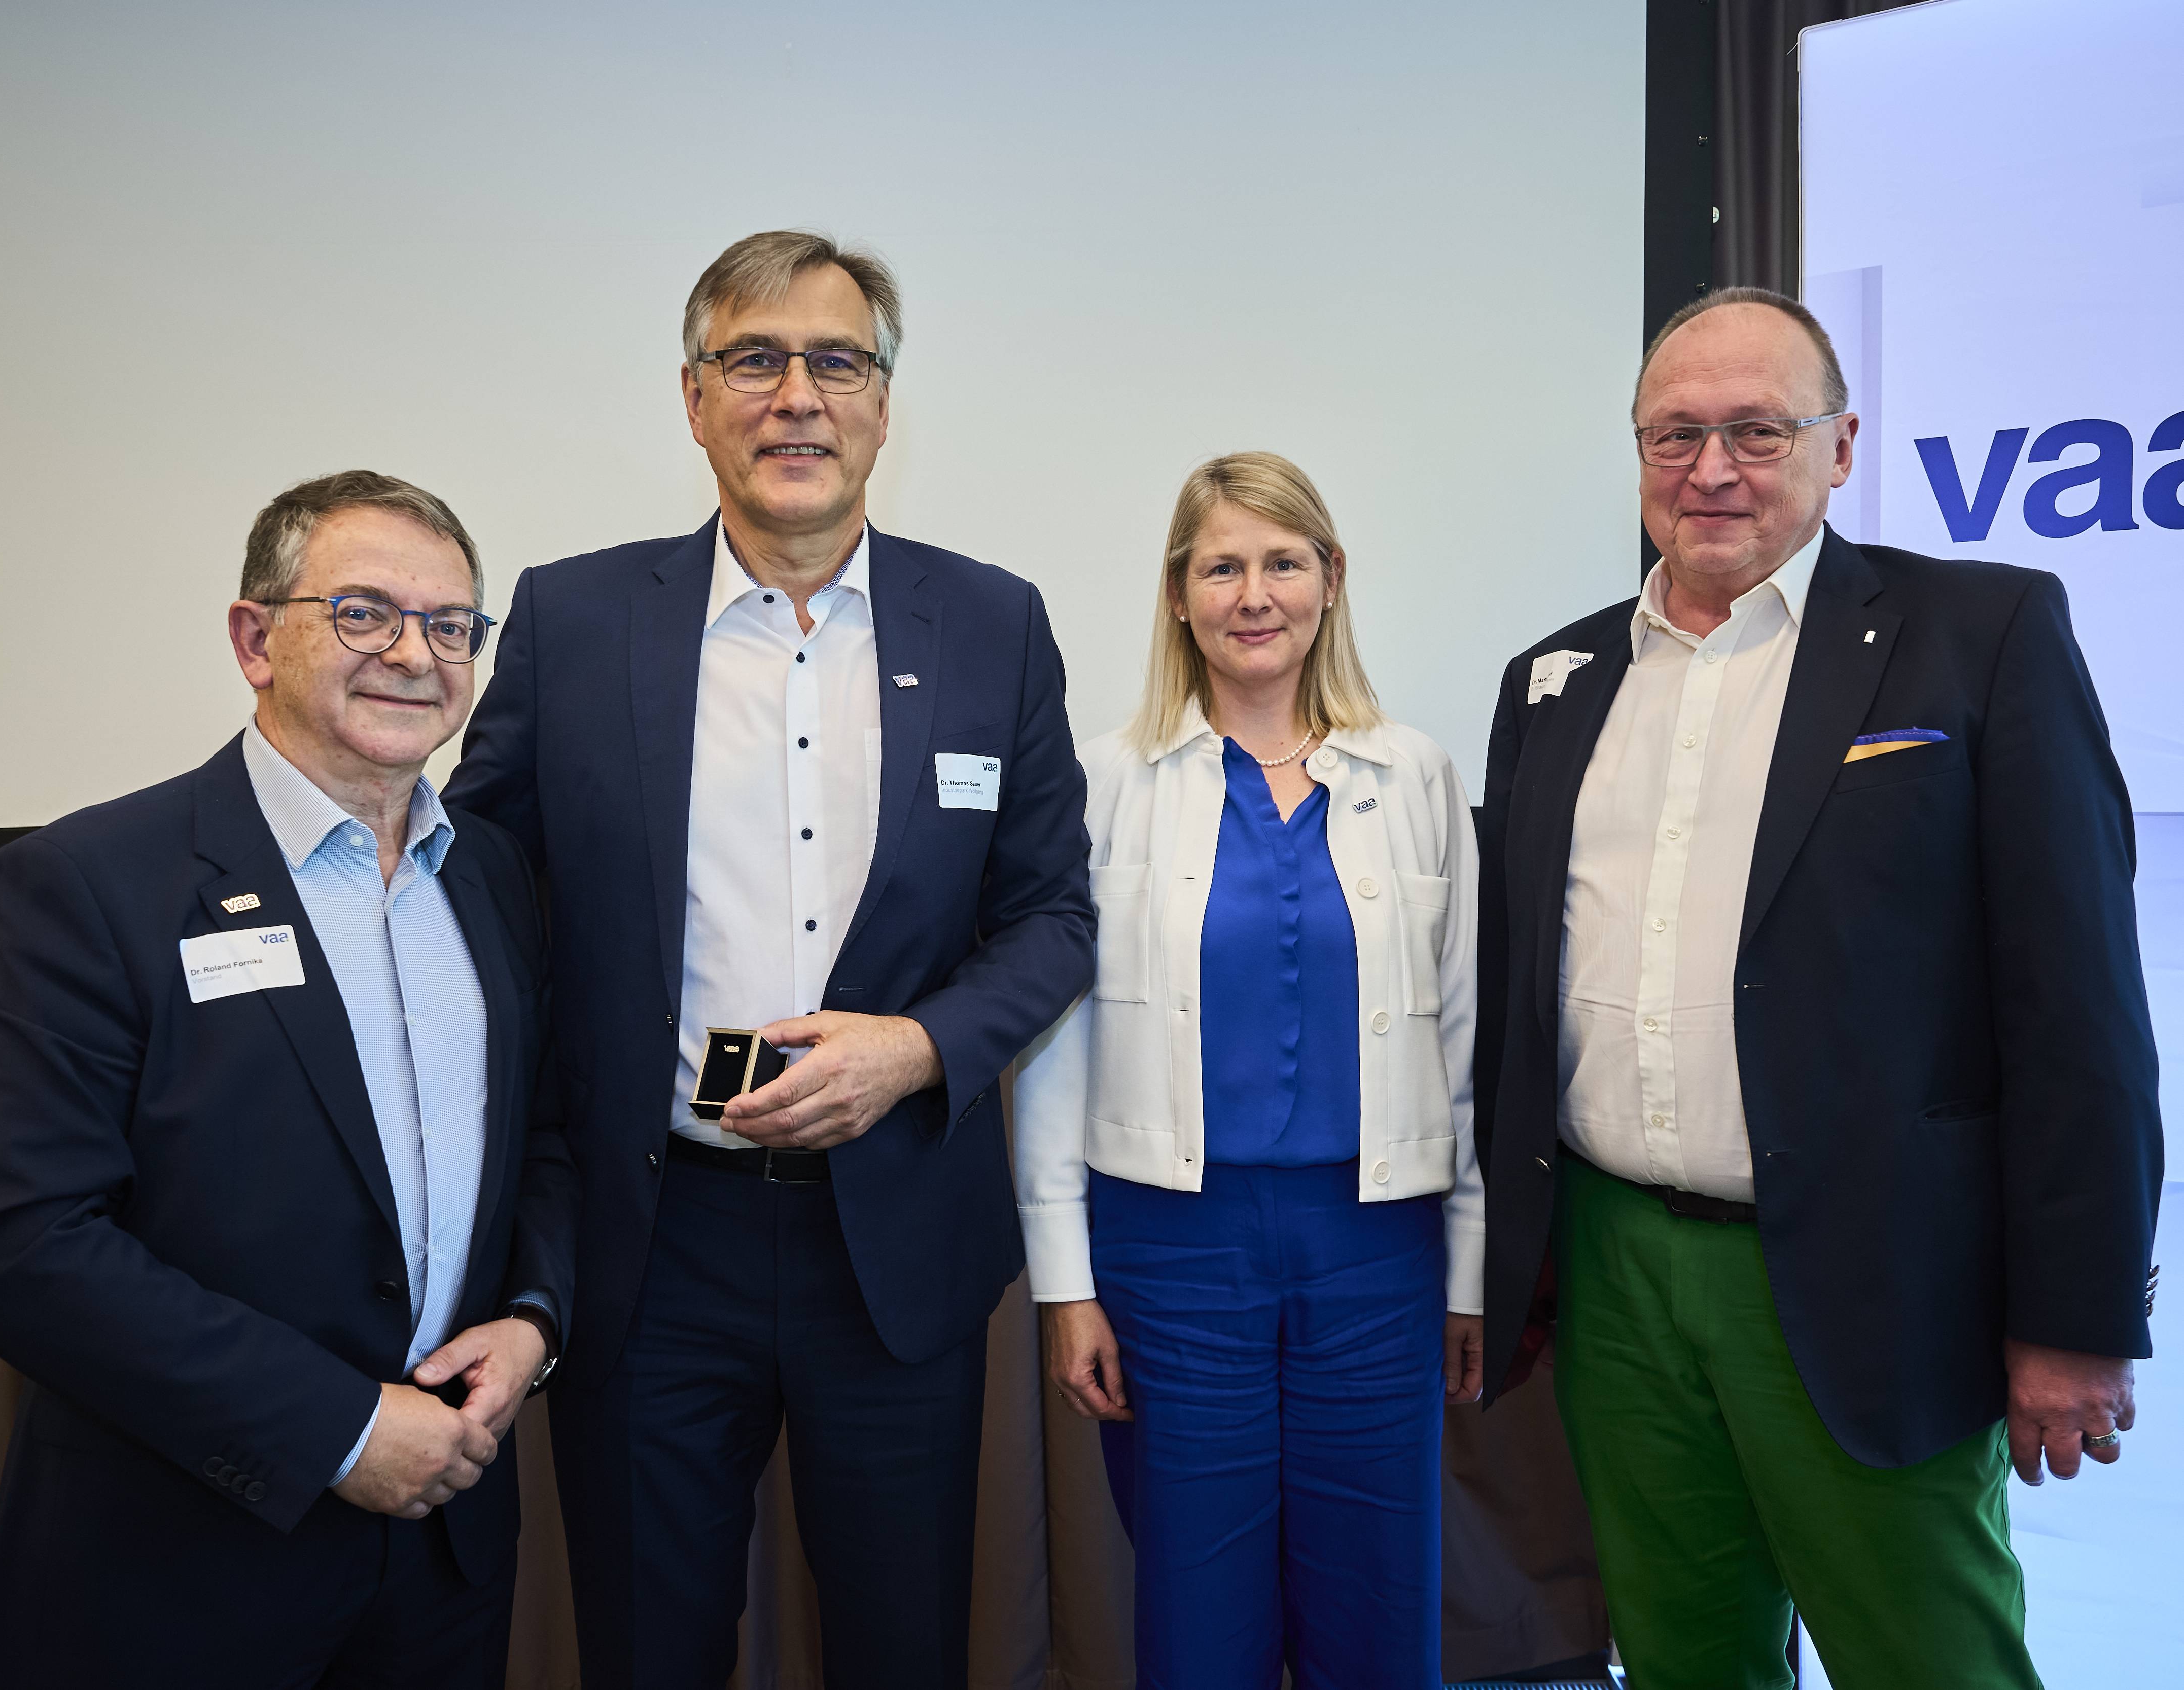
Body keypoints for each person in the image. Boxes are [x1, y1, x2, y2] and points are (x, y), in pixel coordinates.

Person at [1475, 288, 2164, 1689]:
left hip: (1870, 1276)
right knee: (1679, 1659)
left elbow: (2078, 1004)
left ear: (1840, 446)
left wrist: (2077, 1314)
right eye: (1674, 434)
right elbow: (1513, 987)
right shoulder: (1552, 680)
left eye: (1756, 430)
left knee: (1930, 1659)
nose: (1710, 468)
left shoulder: (1977, 634)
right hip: (1614, 1273)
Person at [443, 229, 1094, 1689]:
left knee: (902, 1643)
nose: (798, 394)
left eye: (838, 361)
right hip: (650, 1240)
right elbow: (481, 887)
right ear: (694, 399)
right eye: (755, 358)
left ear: (881, 403)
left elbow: (1052, 912)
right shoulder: (574, 615)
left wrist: (917, 1047)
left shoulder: (992, 622)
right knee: (648, 1643)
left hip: (897, 1239)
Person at [0, 471, 577, 1689]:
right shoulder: (86, 882)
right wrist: (335, 1428)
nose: (413, 653)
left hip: (444, 1555)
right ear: (252, 638)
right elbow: (22, 1244)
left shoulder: (490, 874)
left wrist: (533, 1319)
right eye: (362, 613)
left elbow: (539, 1136)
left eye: (451, 626)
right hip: (177, 1564)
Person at [1013, 452, 1485, 1688]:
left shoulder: (1415, 774)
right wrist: (1064, 1282)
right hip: (1170, 1253)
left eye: (1283, 561)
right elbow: (1057, 1044)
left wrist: (1470, 1269)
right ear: (1177, 593)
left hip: (1377, 1249)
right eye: (1220, 565)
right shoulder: (1105, 783)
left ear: (1331, 581)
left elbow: (1461, 1043)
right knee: (1197, 1614)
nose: (1252, 592)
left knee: (1377, 1610)